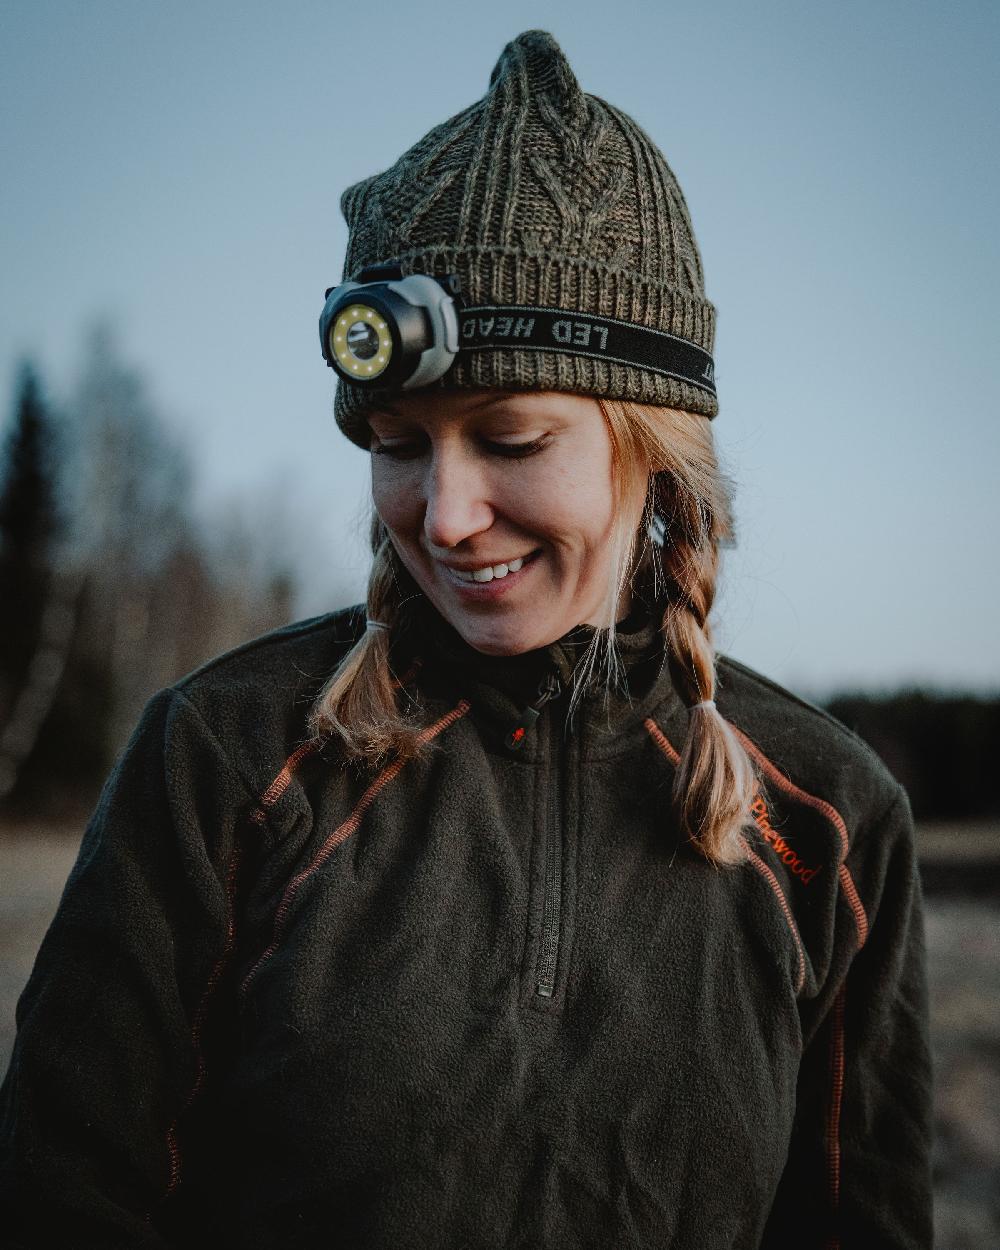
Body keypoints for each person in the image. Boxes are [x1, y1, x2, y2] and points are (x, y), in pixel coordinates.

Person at [0, 29, 933, 1249]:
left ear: (652, 448)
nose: (442, 516)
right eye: (397, 442)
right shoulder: (226, 758)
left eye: (508, 437)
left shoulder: (829, 825)